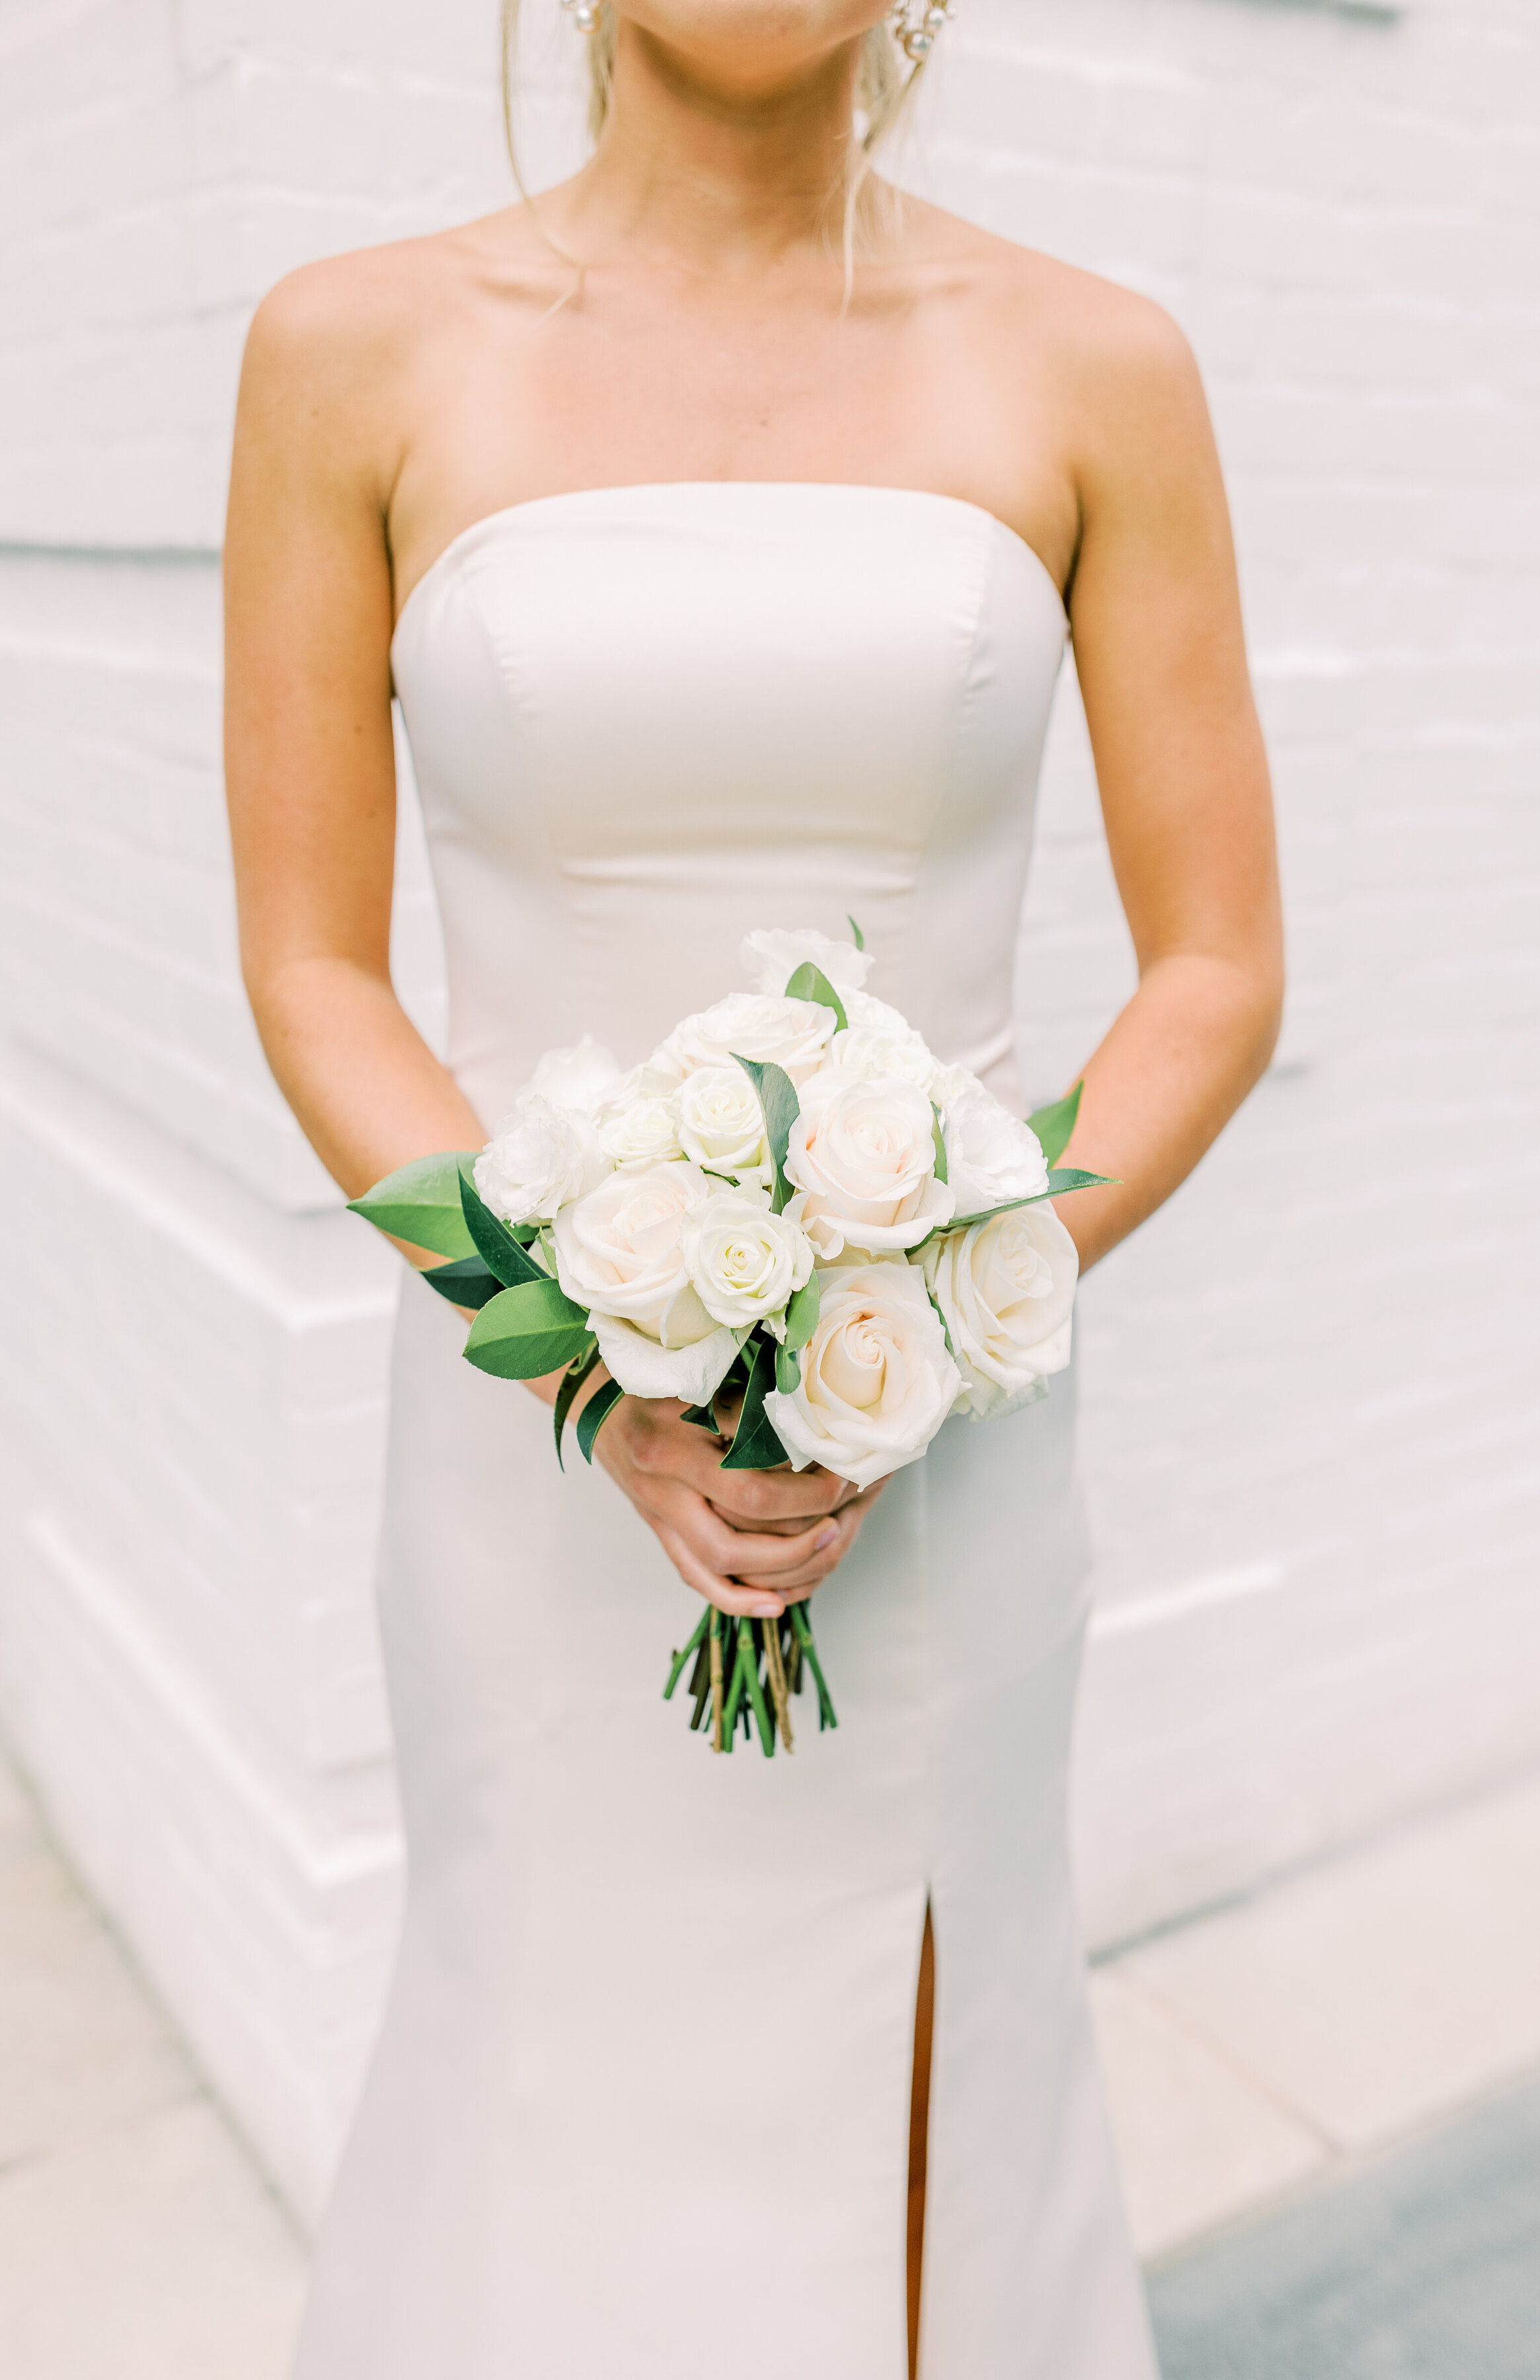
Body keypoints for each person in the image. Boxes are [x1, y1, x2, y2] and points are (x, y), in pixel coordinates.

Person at [224, 4, 1282, 2373]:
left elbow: (1215, 963)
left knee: (934, 2079)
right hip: (524, 1465)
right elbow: (311, 962)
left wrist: (929, 1311)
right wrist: (591, 1372)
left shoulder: (1098, 365)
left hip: (949, 1447)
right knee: (548, 2079)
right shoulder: (350, 356)